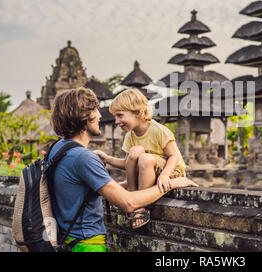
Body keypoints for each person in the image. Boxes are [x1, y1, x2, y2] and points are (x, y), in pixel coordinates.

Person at [48, 87, 197, 252]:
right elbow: (129, 202)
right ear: (84, 118)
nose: (99, 115)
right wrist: (173, 184)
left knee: (141, 155)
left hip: (65, 238)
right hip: (86, 243)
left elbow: (172, 156)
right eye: (95, 110)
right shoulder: (83, 157)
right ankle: (141, 206)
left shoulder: (57, 149)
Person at [95, 88, 187, 229]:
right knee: (136, 151)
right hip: (149, 171)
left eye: (120, 116)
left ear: (137, 113)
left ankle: (140, 207)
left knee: (144, 157)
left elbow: (173, 156)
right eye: (115, 117)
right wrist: (106, 158)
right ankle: (133, 193)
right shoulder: (130, 135)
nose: (117, 121)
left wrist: (165, 175)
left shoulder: (158, 130)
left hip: (172, 172)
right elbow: (127, 163)